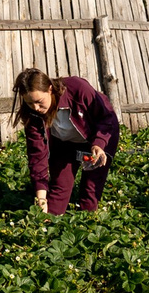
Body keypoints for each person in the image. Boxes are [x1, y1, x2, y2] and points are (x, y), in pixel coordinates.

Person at [12, 67, 121, 214]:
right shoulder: (33, 116)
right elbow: (37, 155)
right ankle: (50, 224)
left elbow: (105, 118)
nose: (36, 108)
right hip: (64, 143)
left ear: (50, 89)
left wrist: (99, 143)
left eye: (39, 101)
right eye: (30, 103)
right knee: (59, 186)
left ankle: (87, 224)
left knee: (91, 187)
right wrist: (41, 199)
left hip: (99, 136)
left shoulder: (78, 88)